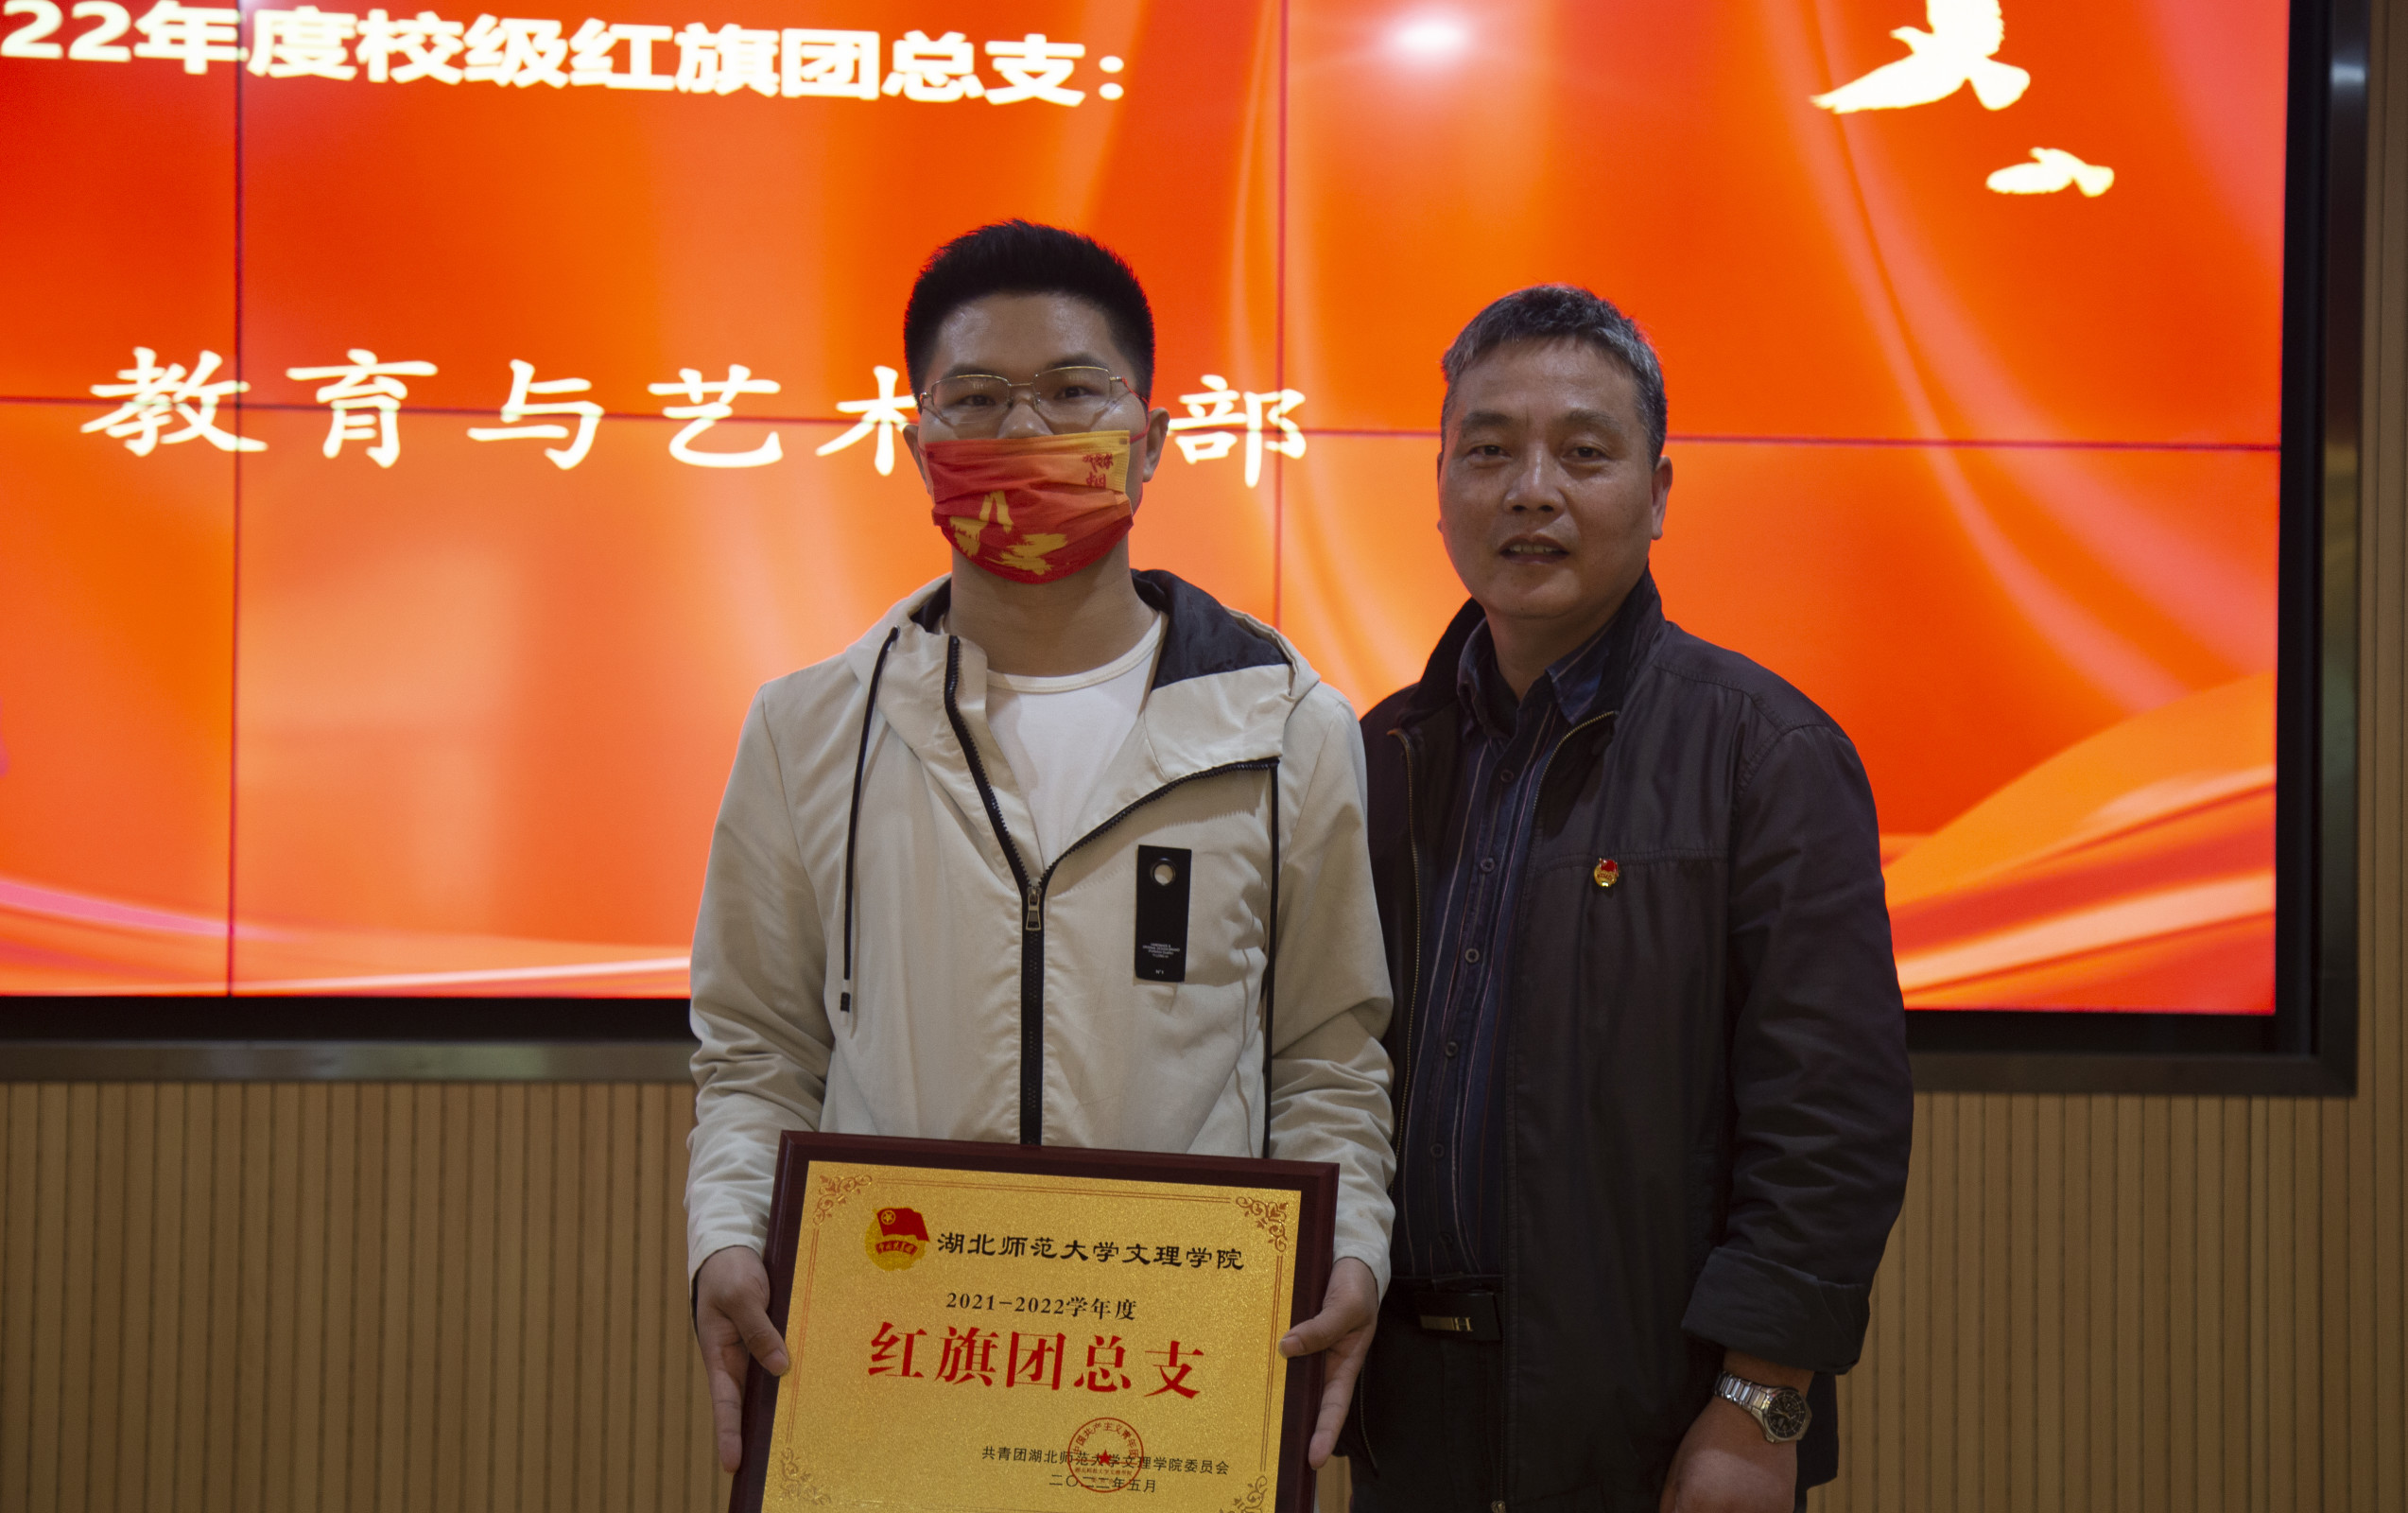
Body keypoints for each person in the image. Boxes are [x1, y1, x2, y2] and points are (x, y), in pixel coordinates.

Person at [683, 220, 1396, 1476]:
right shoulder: (810, 730)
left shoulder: (1287, 726)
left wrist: (1350, 1244)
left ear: (1150, 438)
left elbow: (1327, 1056)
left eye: (1072, 392)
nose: (1024, 433)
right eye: (976, 399)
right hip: (899, 1357)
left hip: (1168, 1374)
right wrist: (727, 1235)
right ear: (920, 446)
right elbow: (759, 1050)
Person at [1343, 286, 1913, 1513]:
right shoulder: (1376, 758)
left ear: (1657, 495)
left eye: (1584, 454)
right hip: (1408, 1428)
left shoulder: (1763, 752)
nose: (1530, 490)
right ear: (1439, 488)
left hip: (1656, 1425)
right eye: (1488, 451)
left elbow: (1830, 1114)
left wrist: (1762, 1399)